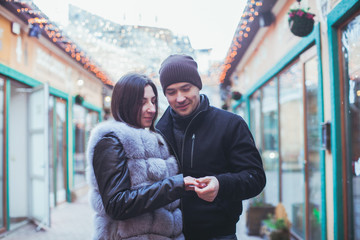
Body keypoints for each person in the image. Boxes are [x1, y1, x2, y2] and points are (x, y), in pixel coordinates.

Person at [156, 55, 266, 240]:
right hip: (170, 235)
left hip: (219, 234)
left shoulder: (230, 124)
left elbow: (255, 177)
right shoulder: (158, 131)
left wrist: (221, 185)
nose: (180, 98)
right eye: (171, 92)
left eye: (186, 89)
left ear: (198, 86)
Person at [86, 73, 199, 240]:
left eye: (153, 101)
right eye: (142, 102)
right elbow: (117, 204)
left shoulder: (153, 139)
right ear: (124, 103)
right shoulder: (111, 141)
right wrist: (175, 185)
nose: (151, 109)